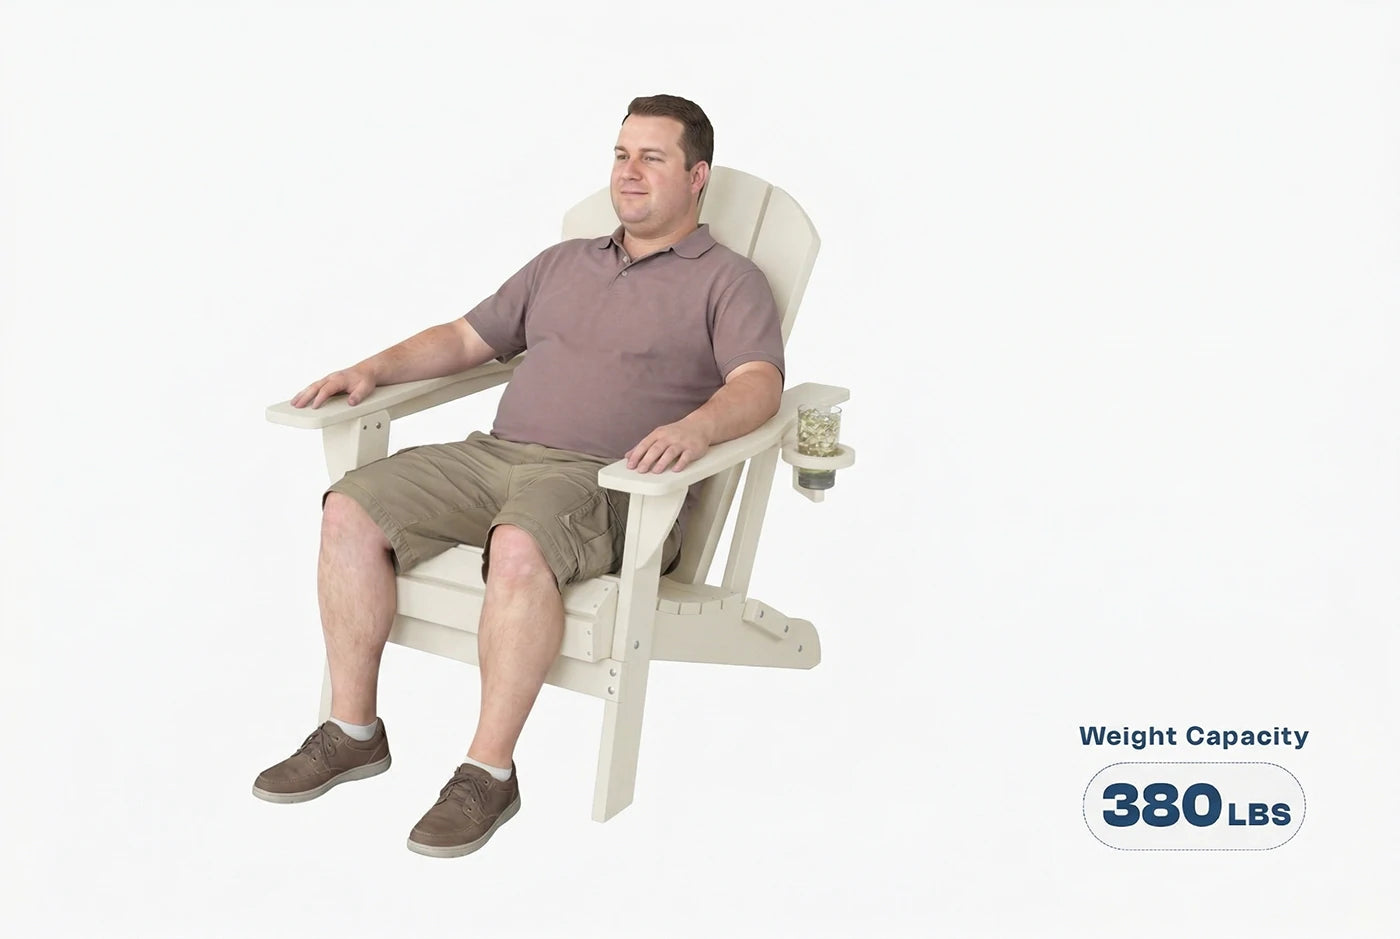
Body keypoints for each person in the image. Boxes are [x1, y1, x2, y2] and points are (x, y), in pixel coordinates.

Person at [251, 94, 786, 858]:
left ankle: (486, 773)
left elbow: (759, 382)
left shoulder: (729, 281)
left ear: (698, 176)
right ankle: (351, 731)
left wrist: (697, 427)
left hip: (605, 480)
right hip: (494, 455)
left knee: (518, 546)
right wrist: (371, 367)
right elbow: (467, 338)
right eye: (620, 154)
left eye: (652, 158)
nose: (629, 172)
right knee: (349, 508)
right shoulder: (563, 263)